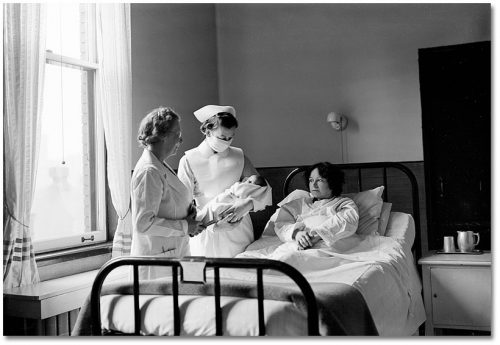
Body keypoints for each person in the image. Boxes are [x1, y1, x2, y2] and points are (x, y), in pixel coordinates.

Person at [177, 105, 272, 257]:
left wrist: (246, 205)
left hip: (238, 226)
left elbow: (263, 189)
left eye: (230, 137)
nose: (226, 142)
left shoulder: (239, 156)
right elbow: (182, 206)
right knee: (204, 275)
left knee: (243, 275)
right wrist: (214, 226)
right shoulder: (189, 160)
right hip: (205, 227)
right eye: (222, 137)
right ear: (207, 131)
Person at [130, 106, 205, 279]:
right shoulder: (149, 171)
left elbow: (169, 203)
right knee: (171, 303)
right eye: (177, 134)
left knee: (195, 294)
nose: (181, 139)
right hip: (158, 261)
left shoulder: (160, 165)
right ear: (161, 135)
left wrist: (189, 213)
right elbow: (143, 223)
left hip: (177, 250)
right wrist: (186, 226)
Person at [274, 162, 359, 250]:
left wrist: (317, 235)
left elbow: (346, 221)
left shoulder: (344, 203)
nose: (314, 185)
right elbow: (281, 224)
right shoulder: (296, 205)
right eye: (311, 180)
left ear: (333, 183)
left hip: (331, 245)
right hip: (299, 245)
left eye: (319, 180)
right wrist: (297, 233)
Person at [198, 174, 269, 226]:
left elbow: (264, 191)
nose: (246, 181)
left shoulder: (242, 160)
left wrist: (247, 205)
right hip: (210, 206)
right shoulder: (188, 161)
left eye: (249, 181)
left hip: (236, 214)